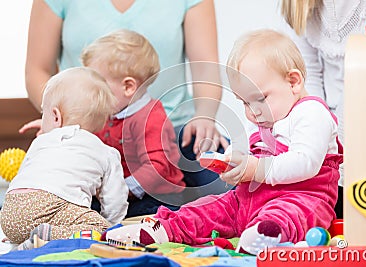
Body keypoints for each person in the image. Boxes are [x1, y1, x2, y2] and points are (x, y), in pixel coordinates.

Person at [105, 29, 343, 255]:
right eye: (244, 103)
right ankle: (164, 229)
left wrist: (256, 168)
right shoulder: (263, 117)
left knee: (287, 215)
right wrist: (230, 161)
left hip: (301, 197)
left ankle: (265, 237)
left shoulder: (312, 112)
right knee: (209, 206)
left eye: (259, 99)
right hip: (248, 200)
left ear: (293, 82)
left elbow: (306, 163)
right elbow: (245, 149)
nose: (253, 112)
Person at [22, 0, 229, 197]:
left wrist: (204, 115)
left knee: (228, 185)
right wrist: (65, 119)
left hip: (178, 131)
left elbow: (206, 69)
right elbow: (37, 70)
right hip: (89, 130)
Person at [279, 0, 366, 219]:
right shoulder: (299, 5)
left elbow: (363, 80)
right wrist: (312, 136)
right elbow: (307, 77)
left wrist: (335, 165)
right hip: (327, 122)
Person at [1, 67, 129, 250]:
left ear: (55, 117)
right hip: (51, 206)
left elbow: (24, 175)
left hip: (9, 214)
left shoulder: (40, 141)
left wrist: (16, 226)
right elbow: (115, 201)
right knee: (102, 229)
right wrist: (111, 223)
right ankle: (48, 235)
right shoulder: (105, 152)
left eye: (43, 113)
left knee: (48, 218)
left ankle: (24, 236)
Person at [81, 29, 185, 217]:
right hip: (116, 192)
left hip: (157, 196)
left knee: (151, 218)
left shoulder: (150, 118)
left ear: (128, 87)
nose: (91, 93)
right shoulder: (107, 110)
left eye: (98, 86)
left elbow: (156, 168)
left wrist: (120, 190)